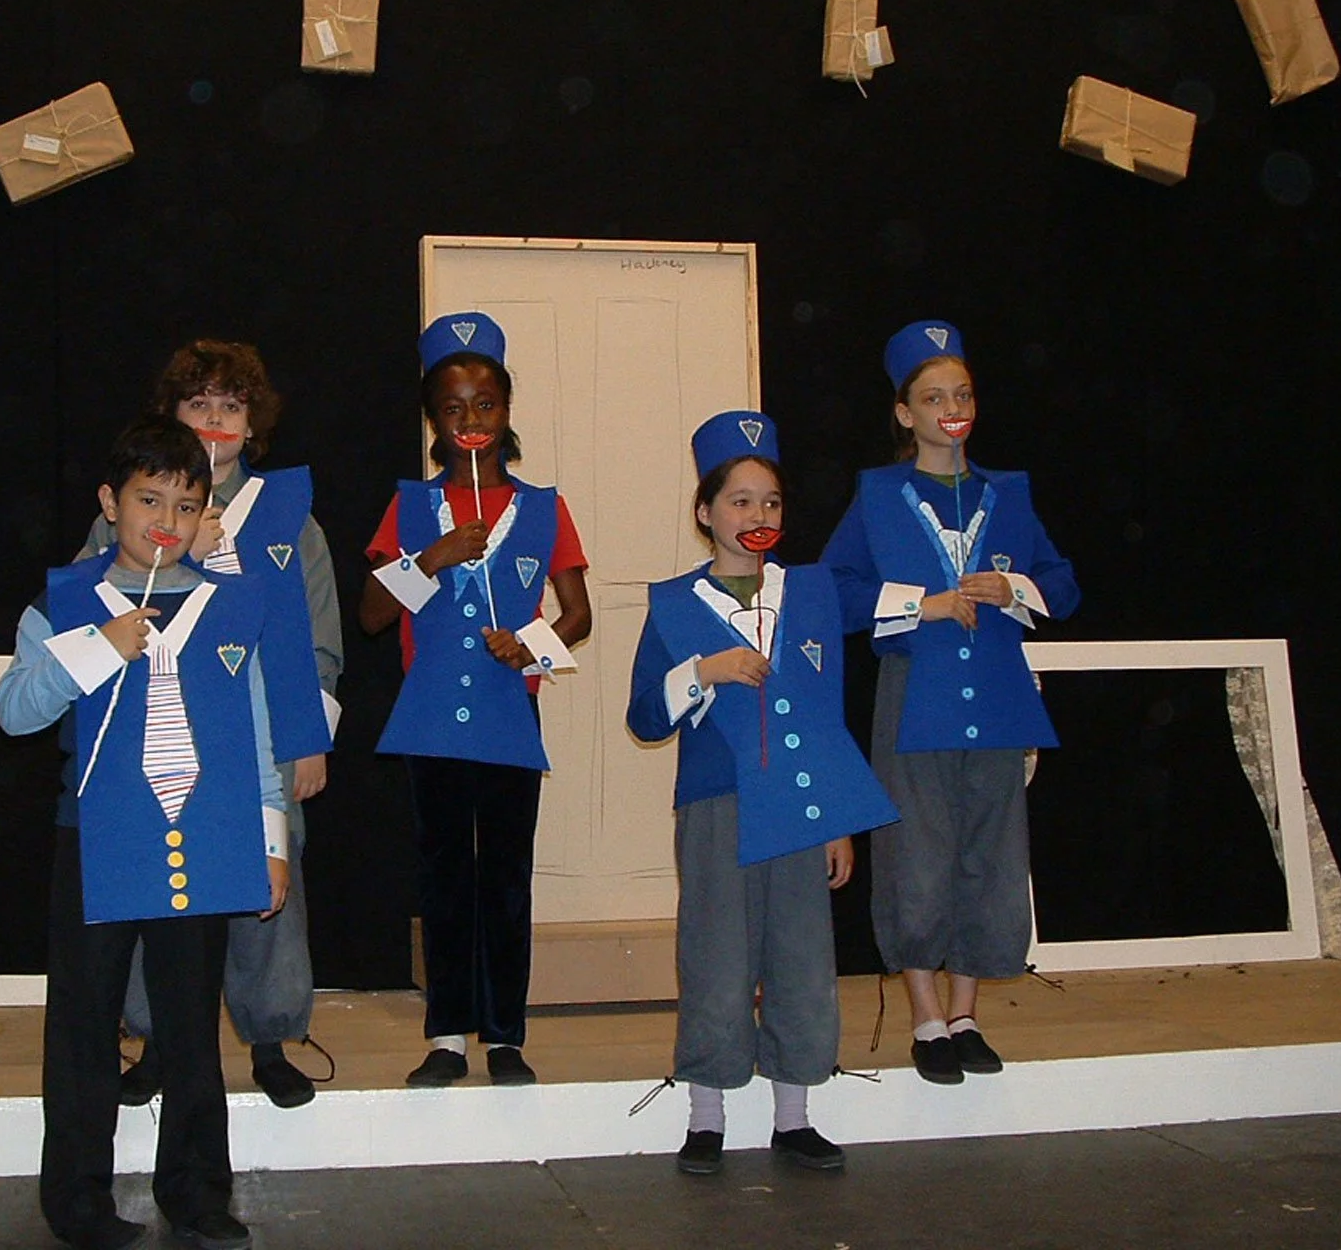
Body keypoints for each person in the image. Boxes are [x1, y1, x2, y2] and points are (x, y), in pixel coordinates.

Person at [0, 414, 324, 1250]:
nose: (165, 522)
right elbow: (15, 711)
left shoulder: (227, 604)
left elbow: (251, 731)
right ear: (110, 503)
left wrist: (270, 841)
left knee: (189, 1028)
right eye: (148, 500)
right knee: (83, 1025)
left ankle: (198, 1193)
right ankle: (77, 1201)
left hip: (208, 837)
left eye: (185, 504)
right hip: (99, 841)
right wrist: (96, 651)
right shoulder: (67, 602)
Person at [626, 411, 901, 1174]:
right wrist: (701, 672)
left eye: (771, 502)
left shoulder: (808, 594)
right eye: (741, 501)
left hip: (805, 806)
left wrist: (839, 820)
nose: (758, 515)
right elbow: (645, 715)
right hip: (716, 802)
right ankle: (707, 1113)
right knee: (715, 957)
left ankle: (793, 1115)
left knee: (802, 958)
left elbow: (827, 709)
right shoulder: (676, 605)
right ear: (705, 513)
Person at [82, 341, 340, 1111]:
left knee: (269, 890)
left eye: (232, 406)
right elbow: (83, 604)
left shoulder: (292, 516)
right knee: (161, 885)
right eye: (200, 405)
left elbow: (321, 635)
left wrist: (308, 737)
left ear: (253, 421)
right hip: (161, 729)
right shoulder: (138, 508)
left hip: (261, 733)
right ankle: (160, 1038)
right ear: (175, 415)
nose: (216, 420)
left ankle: (270, 1040)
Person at [820, 321, 1080, 1086]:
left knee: (989, 857)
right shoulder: (878, 496)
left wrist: (1016, 588)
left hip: (998, 702)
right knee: (917, 860)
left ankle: (966, 1015)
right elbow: (832, 592)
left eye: (961, 394)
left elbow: (1063, 583)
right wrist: (919, 603)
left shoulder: (1008, 493)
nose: (950, 408)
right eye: (933, 397)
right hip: (917, 700)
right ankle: (926, 1017)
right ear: (906, 413)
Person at [359, 311, 591, 1087]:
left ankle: (505, 1035)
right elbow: (371, 613)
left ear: (507, 411)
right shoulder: (412, 508)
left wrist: (533, 645)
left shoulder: (545, 508)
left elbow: (579, 614)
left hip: (506, 718)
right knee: (444, 875)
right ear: (432, 418)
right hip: (429, 722)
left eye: (485, 404)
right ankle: (447, 1034)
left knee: (505, 877)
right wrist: (429, 559)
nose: (470, 420)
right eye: (452, 408)